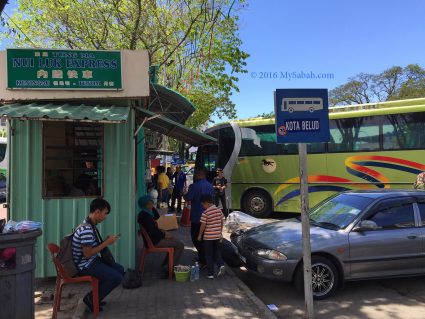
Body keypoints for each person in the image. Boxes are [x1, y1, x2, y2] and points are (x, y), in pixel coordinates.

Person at [72, 198, 124, 313]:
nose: (105, 217)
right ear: (97, 212)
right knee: (116, 277)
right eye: (105, 213)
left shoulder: (89, 223)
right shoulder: (86, 229)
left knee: (120, 269)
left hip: (91, 260)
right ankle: (91, 299)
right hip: (84, 265)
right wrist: (107, 242)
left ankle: (95, 296)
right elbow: (87, 254)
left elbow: (90, 249)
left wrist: (105, 241)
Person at [137, 195, 184, 273]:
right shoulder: (144, 216)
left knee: (176, 241)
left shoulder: (146, 213)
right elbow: (153, 232)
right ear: (144, 205)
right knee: (180, 245)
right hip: (154, 241)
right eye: (149, 204)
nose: (151, 205)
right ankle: (170, 269)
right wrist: (165, 235)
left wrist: (152, 208)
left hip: (155, 238)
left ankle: (167, 265)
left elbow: (157, 217)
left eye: (152, 203)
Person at [185, 167, 214, 267]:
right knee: (205, 239)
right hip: (209, 216)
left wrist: (184, 193)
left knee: (196, 238)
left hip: (197, 217)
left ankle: (204, 260)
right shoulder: (210, 186)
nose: (195, 176)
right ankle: (205, 258)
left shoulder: (194, 186)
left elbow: (189, 198)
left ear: (199, 175)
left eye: (196, 174)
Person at [197, 194, 225, 279]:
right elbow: (221, 221)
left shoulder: (205, 213)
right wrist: (220, 232)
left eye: (203, 204)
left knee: (208, 255)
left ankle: (210, 274)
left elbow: (203, 225)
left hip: (208, 237)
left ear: (206, 203)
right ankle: (221, 265)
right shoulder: (218, 210)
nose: (203, 206)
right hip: (217, 235)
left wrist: (199, 235)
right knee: (216, 252)